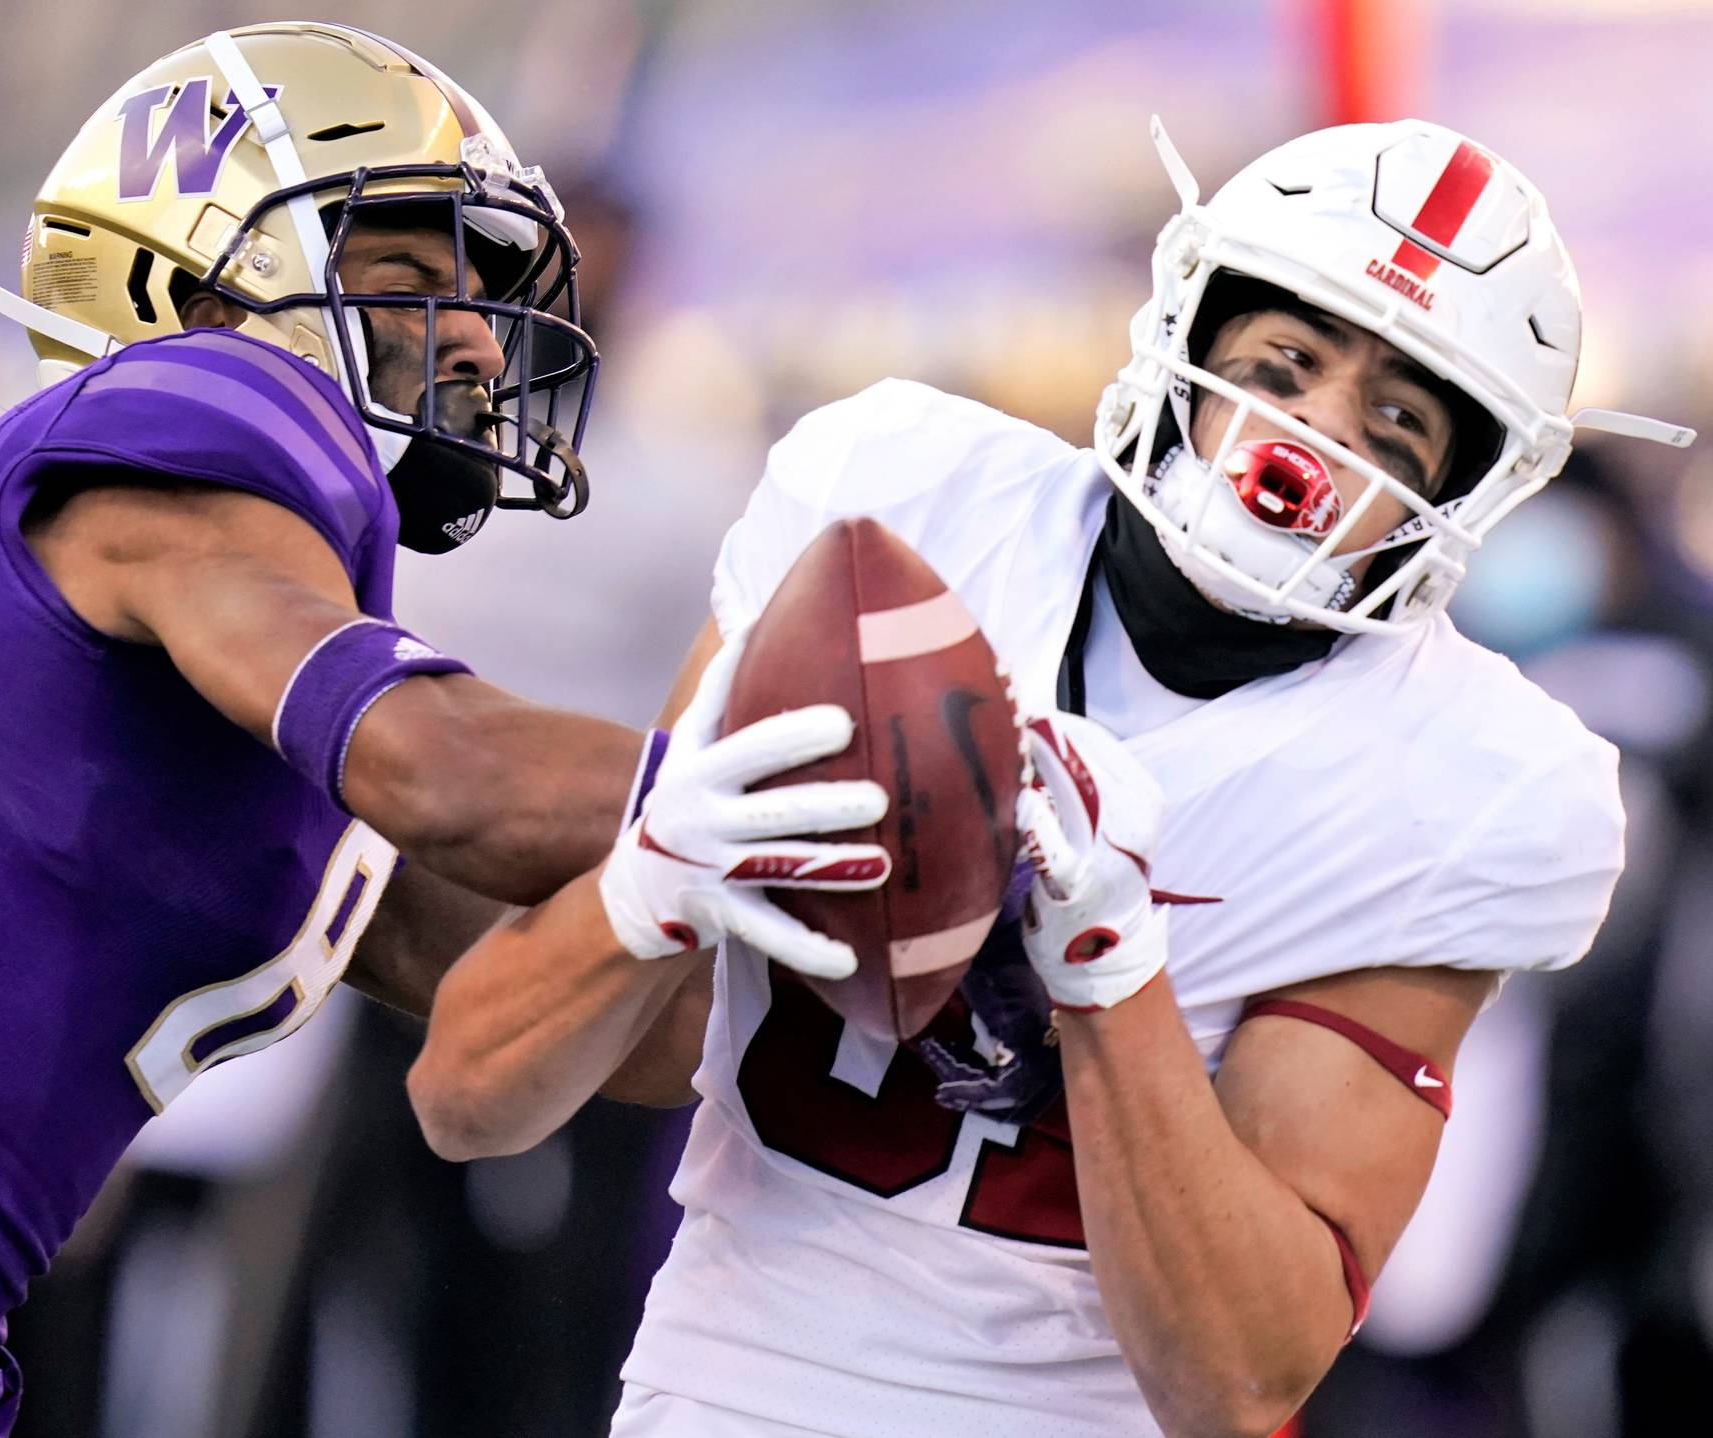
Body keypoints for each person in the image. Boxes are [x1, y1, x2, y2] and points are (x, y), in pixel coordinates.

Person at [0, 23, 877, 1438]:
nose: (479, 334)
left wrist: (831, 980)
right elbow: (451, 769)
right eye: (413, 275)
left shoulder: (240, 670)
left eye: (481, 290)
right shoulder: (202, 403)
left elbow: (564, 1019)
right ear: (204, 278)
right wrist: (857, 802)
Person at [403, 118, 1697, 1436]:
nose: (1311, 436)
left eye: (1396, 420)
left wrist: (1112, 977)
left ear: (1455, 494)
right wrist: (655, 884)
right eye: (1287, 363)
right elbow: (470, 1095)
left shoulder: (1463, 785)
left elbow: (1239, 1381)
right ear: (1188, 343)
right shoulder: (902, 502)